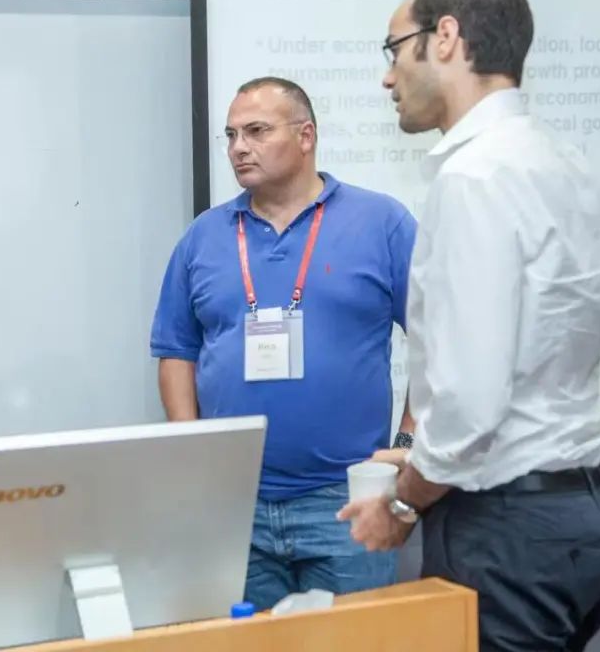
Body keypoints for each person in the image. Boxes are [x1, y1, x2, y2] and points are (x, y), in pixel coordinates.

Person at [338, 0, 600, 652]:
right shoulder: (568, 162)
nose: (386, 78)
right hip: (584, 518)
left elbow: (471, 401)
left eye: (393, 50)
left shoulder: (473, 176)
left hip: (504, 533)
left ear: (445, 37)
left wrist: (403, 499)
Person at [151, 76, 417, 610]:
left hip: (347, 501)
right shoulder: (204, 236)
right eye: (231, 135)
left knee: (355, 645)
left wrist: (407, 448)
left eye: (256, 131)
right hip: (234, 505)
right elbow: (176, 350)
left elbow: (438, 343)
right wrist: (192, 452)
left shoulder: (381, 222)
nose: (238, 147)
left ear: (305, 136)